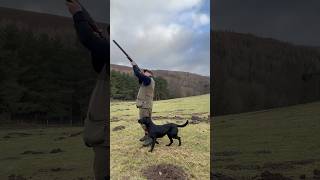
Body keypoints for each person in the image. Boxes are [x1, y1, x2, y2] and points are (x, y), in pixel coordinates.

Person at [66, 1, 109, 179]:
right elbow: (97, 59)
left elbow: (87, 39)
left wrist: (77, 14)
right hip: (103, 135)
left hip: (107, 137)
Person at [130, 60, 155, 146]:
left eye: (146, 72)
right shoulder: (147, 81)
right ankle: (147, 135)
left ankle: (150, 138)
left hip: (145, 106)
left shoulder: (148, 79)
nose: (144, 73)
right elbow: (139, 78)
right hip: (146, 105)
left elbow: (138, 74)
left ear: (150, 74)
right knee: (146, 122)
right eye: (143, 72)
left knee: (144, 122)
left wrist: (134, 65)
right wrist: (136, 68)